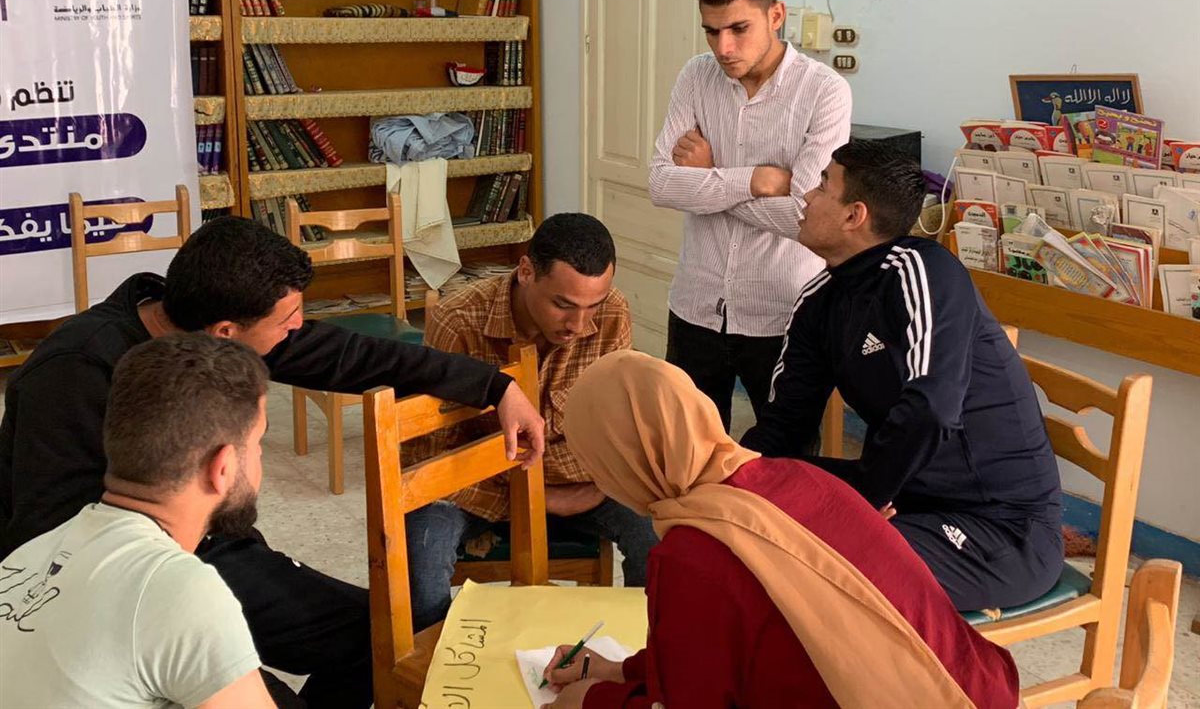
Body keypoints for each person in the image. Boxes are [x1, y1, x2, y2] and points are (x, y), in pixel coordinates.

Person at [0, 216, 545, 708]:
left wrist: (494, 385)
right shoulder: (73, 372)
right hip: (111, 578)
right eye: (288, 319)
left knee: (372, 634)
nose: (298, 328)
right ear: (226, 334)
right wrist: (193, 645)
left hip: (203, 543)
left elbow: (355, 355)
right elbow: (46, 534)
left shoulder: (211, 321)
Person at [538, 351, 1019, 709]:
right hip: (971, 689)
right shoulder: (794, 476)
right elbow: (716, 648)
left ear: (624, 458)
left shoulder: (690, 552)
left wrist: (590, 700)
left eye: (595, 461)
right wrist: (617, 670)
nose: (600, 479)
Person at [741, 140, 1063, 611]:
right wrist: (733, 474)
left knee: (811, 563)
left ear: (854, 215)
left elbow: (932, 408)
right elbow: (784, 425)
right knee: (751, 500)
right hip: (909, 501)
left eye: (823, 185)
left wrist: (865, 500)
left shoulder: (925, 271)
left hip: (1001, 531)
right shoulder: (820, 301)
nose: (806, 196)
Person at [407, 214, 657, 631]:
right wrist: (533, 498)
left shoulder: (612, 312)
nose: (578, 325)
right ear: (525, 271)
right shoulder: (459, 320)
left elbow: (620, 431)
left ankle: (638, 656)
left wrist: (597, 487)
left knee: (664, 539)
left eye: (592, 306)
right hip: (478, 488)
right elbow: (428, 456)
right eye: (563, 305)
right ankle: (441, 667)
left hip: (581, 486)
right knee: (420, 554)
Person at [0, 335, 276, 708]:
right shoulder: (180, 591)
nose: (259, 459)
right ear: (223, 468)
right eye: (257, 445)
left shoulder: (31, 554)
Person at [649, 0, 852, 431]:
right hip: (696, 305)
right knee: (690, 454)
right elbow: (661, 183)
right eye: (711, 31)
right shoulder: (695, 76)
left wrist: (710, 174)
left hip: (782, 311)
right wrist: (755, 180)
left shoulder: (824, 91)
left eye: (739, 29)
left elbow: (805, 217)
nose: (723, 48)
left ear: (776, 15)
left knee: (785, 461)